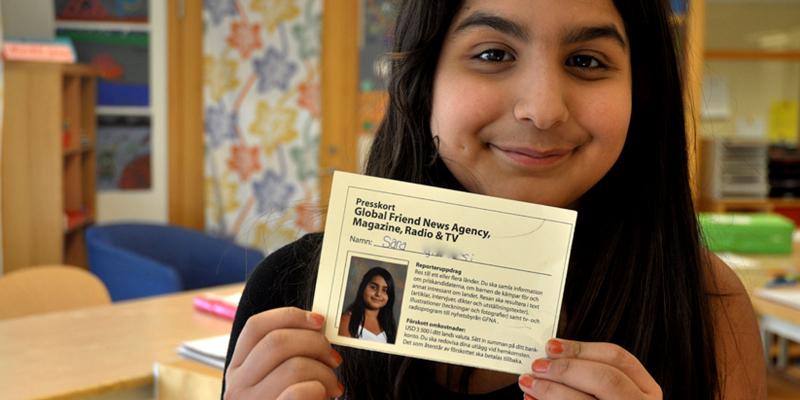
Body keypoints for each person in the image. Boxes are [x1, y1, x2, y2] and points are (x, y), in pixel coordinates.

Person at [222, 0, 767, 399]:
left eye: (587, 61)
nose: (543, 109)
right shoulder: (290, 294)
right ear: (423, 82)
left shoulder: (704, 303)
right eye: (492, 53)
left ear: (639, 92)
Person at [338, 267, 398, 344]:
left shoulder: (390, 327)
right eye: (373, 287)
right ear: (362, 287)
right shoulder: (346, 321)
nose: (378, 294)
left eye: (384, 290)